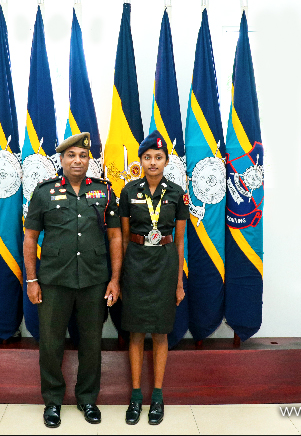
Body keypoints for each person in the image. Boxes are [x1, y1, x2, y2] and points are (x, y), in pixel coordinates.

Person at [23, 132, 122, 428]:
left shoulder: (104, 191)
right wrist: (32, 280)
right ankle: (52, 401)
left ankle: (87, 398)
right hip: (54, 280)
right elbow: (30, 238)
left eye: (83, 155)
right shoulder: (44, 192)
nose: (77, 160)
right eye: (71, 155)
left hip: (93, 280)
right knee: (51, 344)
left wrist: (115, 279)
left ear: (89, 160)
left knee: (91, 343)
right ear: (62, 159)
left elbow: (115, 236)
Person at [119, 129, 188, 425]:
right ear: (141, 160)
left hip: (165, 265)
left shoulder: (176, 193)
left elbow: (180, 242)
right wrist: (122, 276)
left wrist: (179, 282)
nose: (152, 163)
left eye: (158, 157)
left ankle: (157, 396)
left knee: (160, 332)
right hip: (136, 264)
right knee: (135, 332)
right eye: (147, 157)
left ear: (166, 161)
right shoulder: (128, 192)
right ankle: (136, 396)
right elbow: (123, 239)